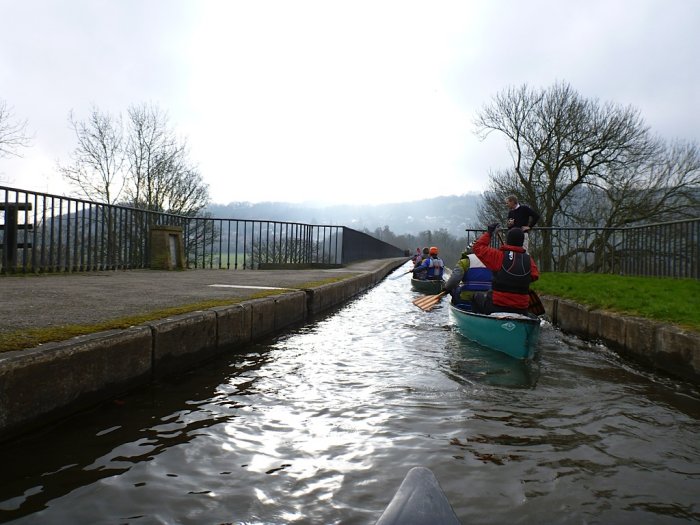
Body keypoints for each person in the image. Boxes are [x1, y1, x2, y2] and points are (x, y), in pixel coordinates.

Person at [471, 224, 539, 315]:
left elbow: (477, 247)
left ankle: (480, 323)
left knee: (477, 296)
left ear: (508, 240)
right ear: (522, 242)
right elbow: (534, 276)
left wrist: (489, 233)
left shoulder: (498, 256)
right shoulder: (529, 260)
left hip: (496, 306)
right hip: (521, 309)